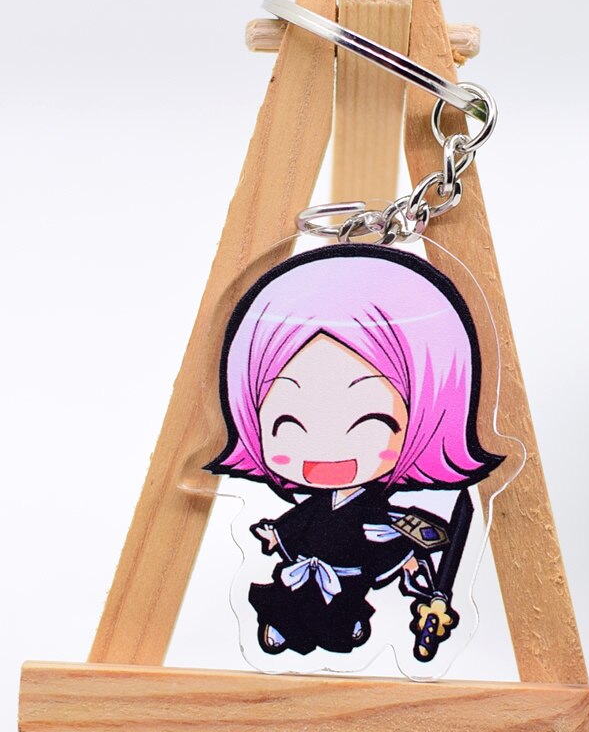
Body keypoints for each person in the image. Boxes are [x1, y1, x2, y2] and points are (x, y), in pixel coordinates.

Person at [204, 245, 504, 657]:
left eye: (370, 422)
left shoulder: (375, 515)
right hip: (302, 573)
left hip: (345, 581)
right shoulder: (320, 505)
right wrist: (277, 534)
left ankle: (342, 629)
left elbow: (400, 543)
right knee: (287, 604)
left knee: (339, 617)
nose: (326, 447)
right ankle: (283, 626)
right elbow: (298, 523)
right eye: (287, 424)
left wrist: (415, 571)